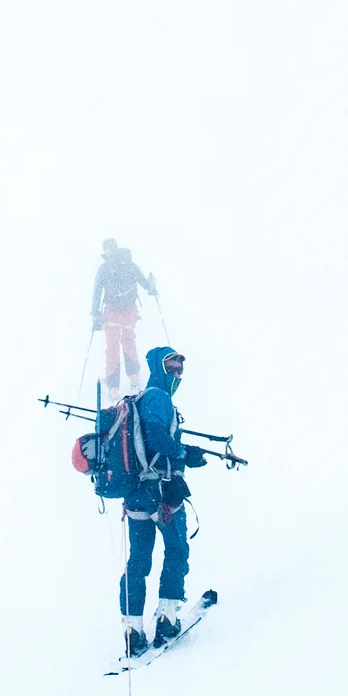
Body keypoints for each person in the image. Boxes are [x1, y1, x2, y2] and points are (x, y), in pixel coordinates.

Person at [119, 345, 201, 652]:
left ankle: (132, 629)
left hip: (136, 496)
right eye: (171, 367)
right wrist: (182, 453)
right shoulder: (159, 397)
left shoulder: (140, 400)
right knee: (177, 549)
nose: (176, 373)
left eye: (180, 368)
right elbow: (155, 435)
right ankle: (167, 617)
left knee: (138, 561)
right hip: (162, 492)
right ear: (157, 367)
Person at [90, 239, 159, 397]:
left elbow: (97, 293)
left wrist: (95, 314)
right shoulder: (131, 265)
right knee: (129, 342)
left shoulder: (104, 268)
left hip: (112, 314)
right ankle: (134, 378)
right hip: (130, 313)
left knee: (112, 347)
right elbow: (145, 285)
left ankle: (113, 387)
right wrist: (152, 285)